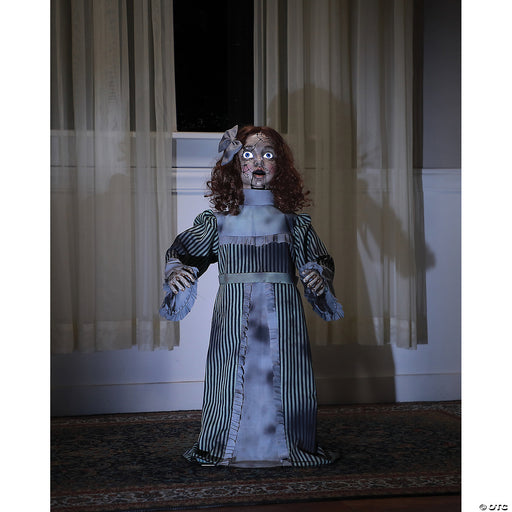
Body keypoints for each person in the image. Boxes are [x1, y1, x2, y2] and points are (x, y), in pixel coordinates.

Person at [160, 125, 344, 467]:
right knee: (230, 371)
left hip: (284, 315)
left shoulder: (294, 223)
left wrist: (318, 276)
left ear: (280, 165)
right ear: (235, 163)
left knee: (288, 374)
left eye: (267, 154)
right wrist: (176, 270)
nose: (258, 161)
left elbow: (320, 259)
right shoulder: (217, 222)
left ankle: (289, 445)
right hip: (233, 313)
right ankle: (225, 444)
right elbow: (183, 252)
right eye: (248, 154)